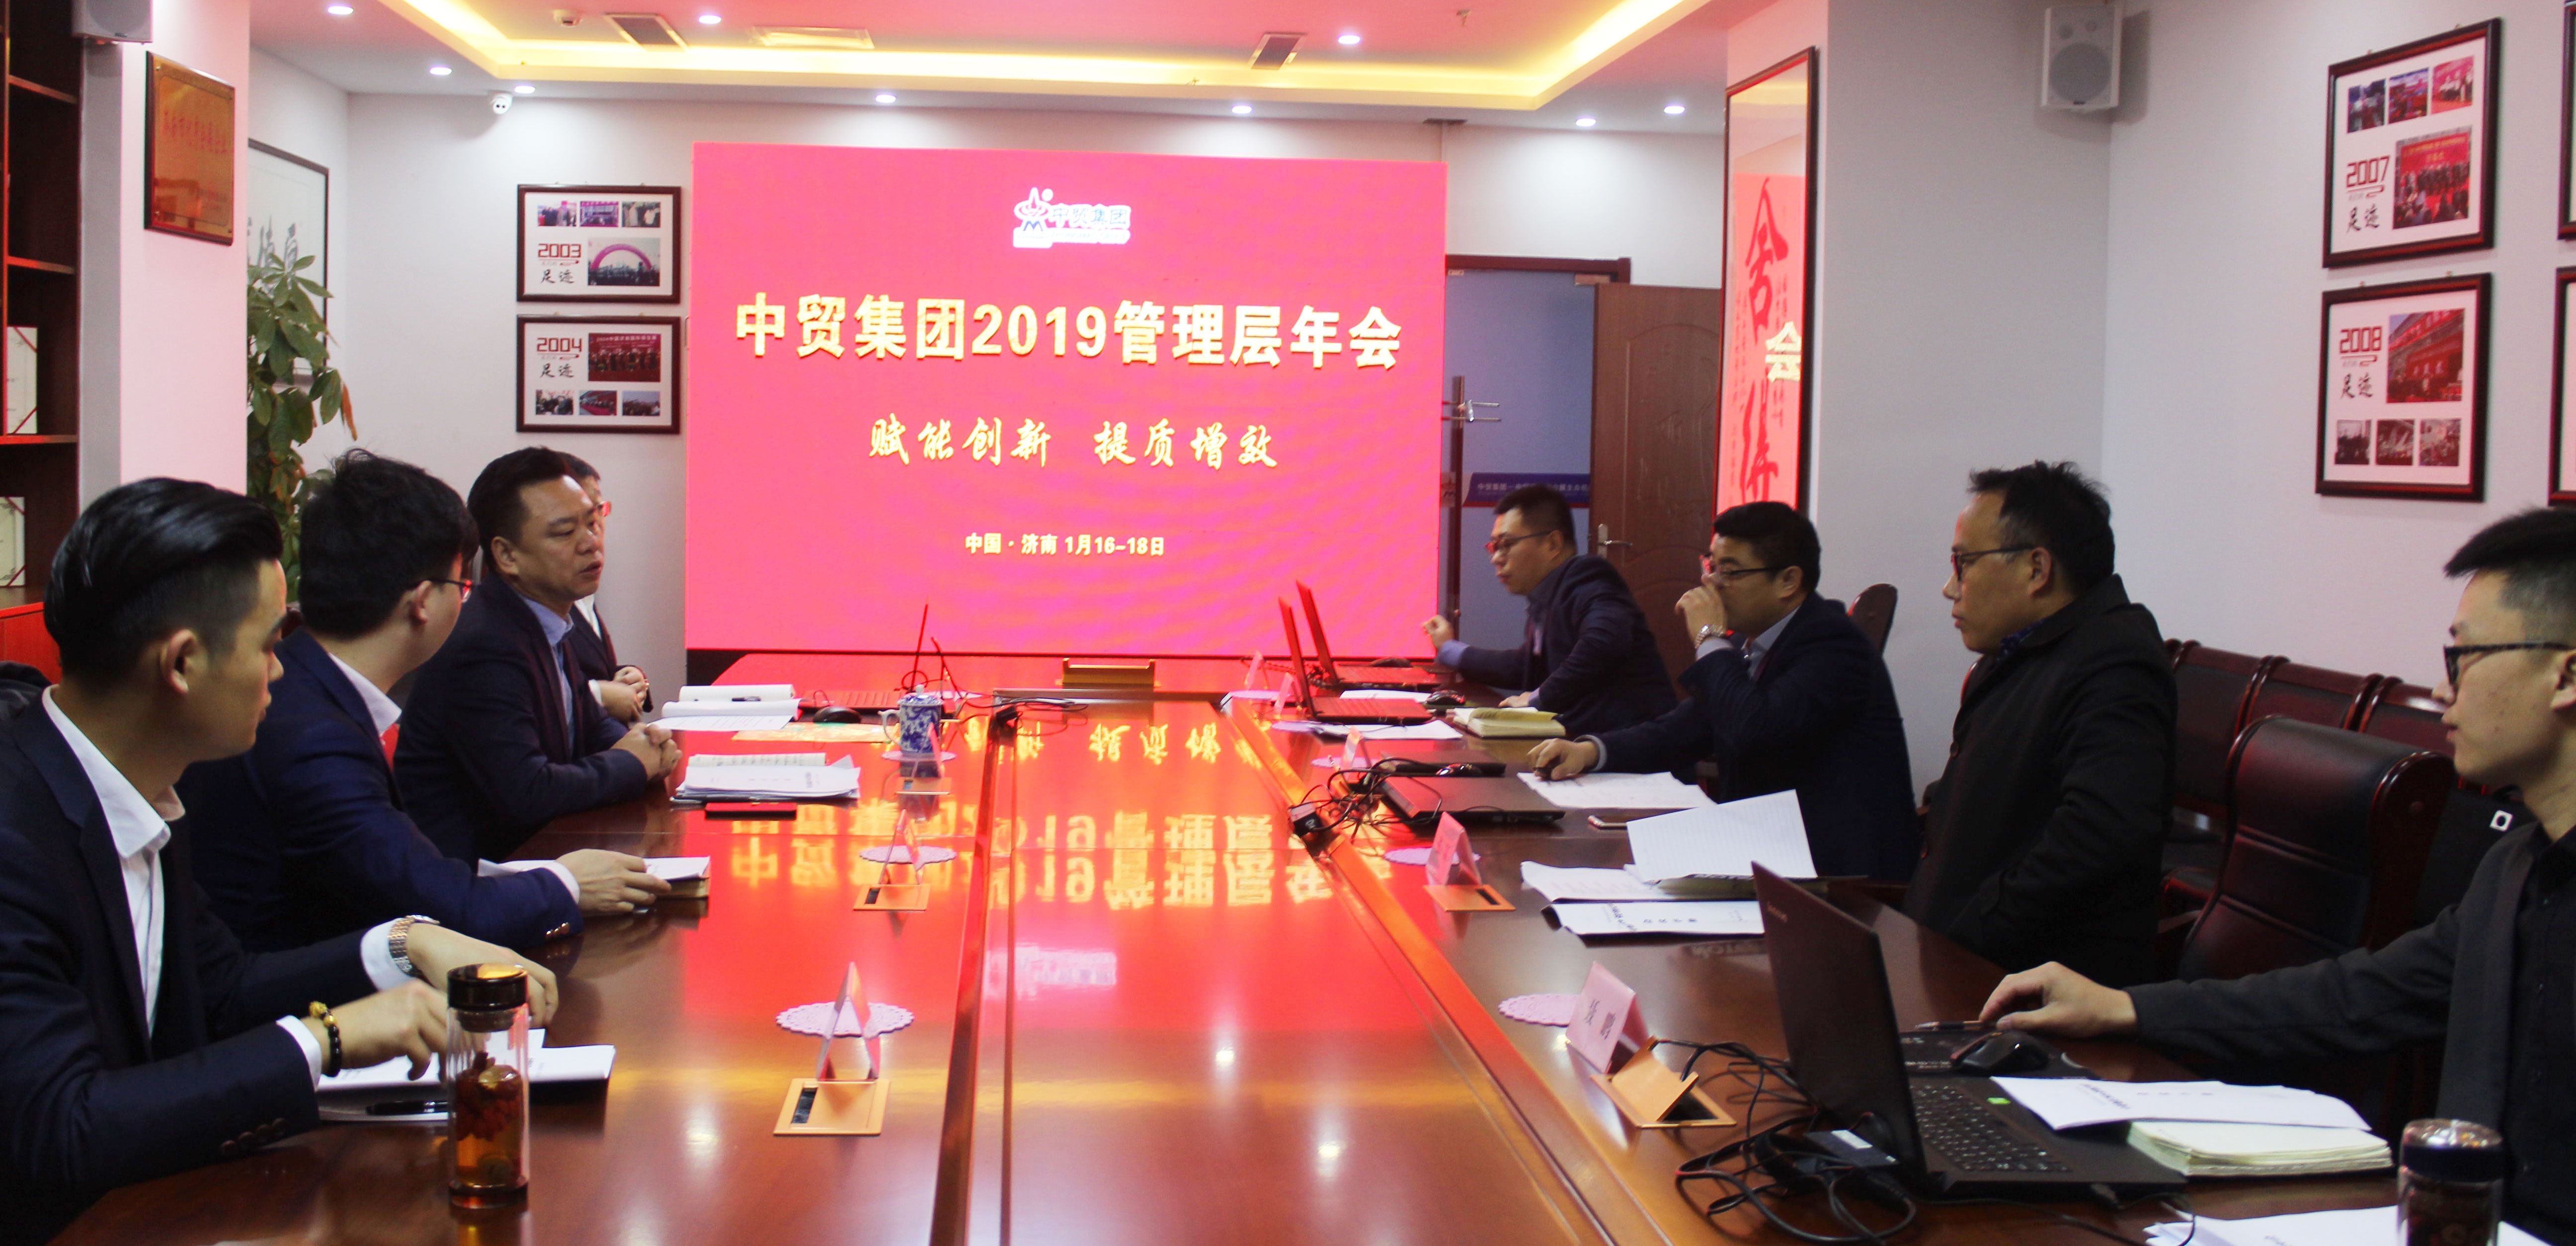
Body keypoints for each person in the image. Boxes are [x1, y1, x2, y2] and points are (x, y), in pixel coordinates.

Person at [1981, 509, 2576, 1244]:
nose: (2443, 690)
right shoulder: (2515, 871)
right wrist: (2124, 1008)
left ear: (2566, 675)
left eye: (2465, 658)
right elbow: (2352, 996)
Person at [0, 479, 558, 1245]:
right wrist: (327, 1040)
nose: (282, 671)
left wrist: (401, 945)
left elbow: (222, 990)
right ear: (183, 663)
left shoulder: (143, 782)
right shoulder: (16, 831)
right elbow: (63, 1126)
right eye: (267, 645)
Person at [179, 452, 668, 952]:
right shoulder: (311, 733)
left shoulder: (307, 681)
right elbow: (443, 907)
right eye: (462, 585)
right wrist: (567, 884)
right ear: (422, 603)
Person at [1524, 503, 1919, 879]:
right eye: (1711, 565)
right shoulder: (1753, 642)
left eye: (1729, 571)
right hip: (1768, 852)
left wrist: (1709, 637)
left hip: (1840, 877)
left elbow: (1752, 730)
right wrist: (1589, 752)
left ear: (1788, 581)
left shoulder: (1832, 645)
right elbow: (1685, 728)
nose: (1710, 582)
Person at [1905, 461, 2174, 986]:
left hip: (2027, 987)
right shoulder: (2019, 653)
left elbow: (2098, 837)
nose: (1949, 588)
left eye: (1964, 563)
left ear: (2036, 569)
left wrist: (1964, 941)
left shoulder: (2116, 663)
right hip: (1948, 957)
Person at [398, 448, 680, 861]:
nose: (591, 542)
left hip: (547, 853)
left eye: (592, 522)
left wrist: (644, 745)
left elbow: (587, 725)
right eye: (565, 532)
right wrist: (632, 764)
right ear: (507, 555)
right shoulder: (486, 643)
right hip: (483, 878)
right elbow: (526, 792)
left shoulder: (547, 618)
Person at [1418, 484, 1676, 737]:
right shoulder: (1548, 597)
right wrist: (1449, 649)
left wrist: (1538, 698)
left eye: (1506, 544)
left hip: (1637, 748)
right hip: (1588, 745)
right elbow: (1523, 667)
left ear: (1553, 544)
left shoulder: (1588, 579)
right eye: (1494, 547)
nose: (1496, 558)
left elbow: (1604, 641)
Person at [558, 453, 650, 724]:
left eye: (598, 511)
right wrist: (598, 694)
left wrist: (631, 678)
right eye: (570, 523)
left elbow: (586, 669)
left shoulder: (583, 587)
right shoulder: (541, 603)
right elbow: (542, 688)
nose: (593, 535)